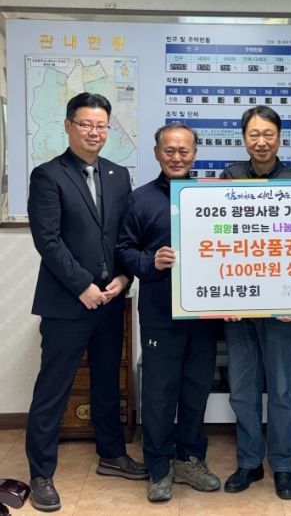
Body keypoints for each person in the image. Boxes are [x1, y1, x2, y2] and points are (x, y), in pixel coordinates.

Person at [26, 92, 147, 512]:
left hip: (111, 300)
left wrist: (124, 277)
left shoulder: (118, 175)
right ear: (68, 126)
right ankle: (41, 473)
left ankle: (112, 454)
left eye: (101, 126)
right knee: (53, 388)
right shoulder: (48, 175)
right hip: (67, 303)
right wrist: (83, 286)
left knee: (108, 382)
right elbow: (48, 240)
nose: (94, 132)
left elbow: (125, 236)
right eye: (85, 124)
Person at [115, 123, 221, 503]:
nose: (177, 157)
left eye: (184, 150)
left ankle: (190, 459)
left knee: (196, 390)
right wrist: (151, 262)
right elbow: (124, 250)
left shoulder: (212, 196)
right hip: (161, 313)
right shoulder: (140, 199)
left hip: (205, 314)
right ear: (157, 153)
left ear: (195, 154)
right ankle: (159, 467)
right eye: (169, 150)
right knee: (159, 393)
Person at [220, 105, 291, 501]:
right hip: (239, 308)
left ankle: (283, 465)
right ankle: (250, 462)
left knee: (282, 390)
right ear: (244, 138)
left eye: (268, 134)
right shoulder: (229, 177)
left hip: (283, 310)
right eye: (254, 134)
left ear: (279, 138)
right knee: (242, 390)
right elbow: (218, 240)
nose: (261, 141)